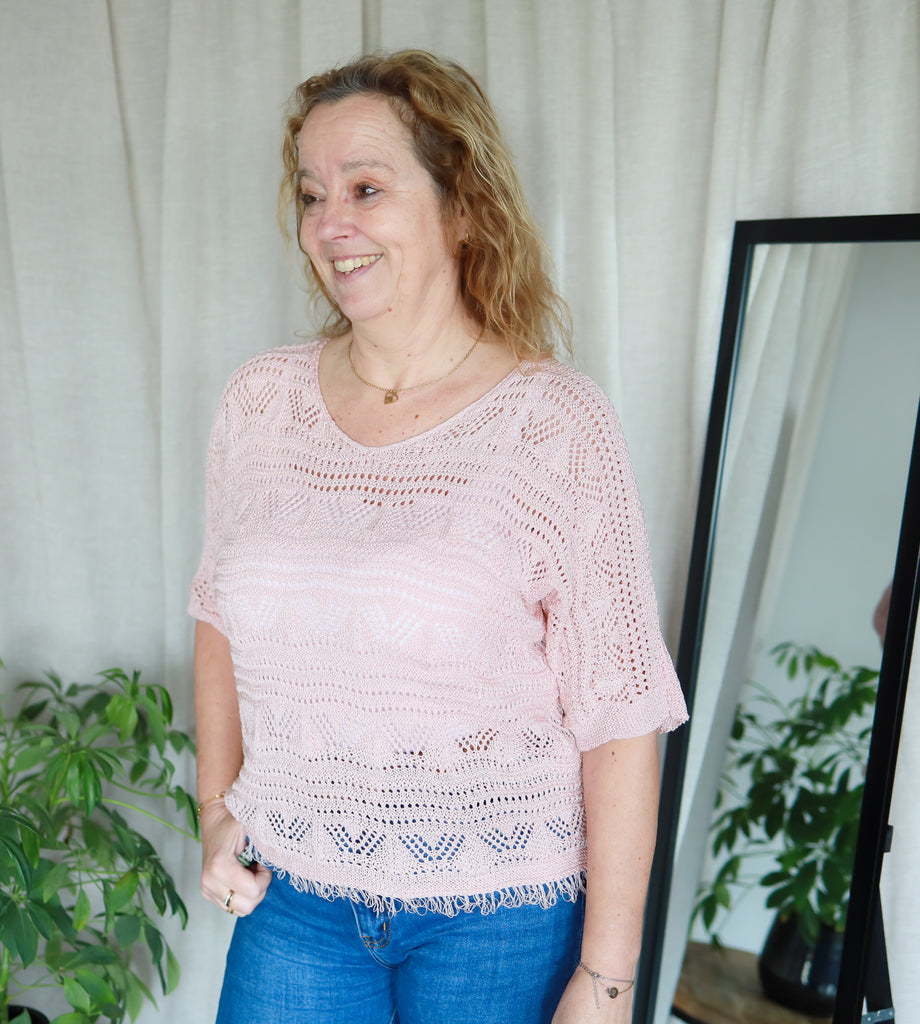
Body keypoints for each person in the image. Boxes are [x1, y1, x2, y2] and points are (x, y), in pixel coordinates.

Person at [189, 49, 687, 1024]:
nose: (330, 224)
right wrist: (215, 809)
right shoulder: (260, 404)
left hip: (499, 916)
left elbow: (620, 713)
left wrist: (607, 979)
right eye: (312, 195)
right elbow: (217, 615)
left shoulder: (553, 424)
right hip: (292, 897)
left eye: (366, 189)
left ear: (462, 207)